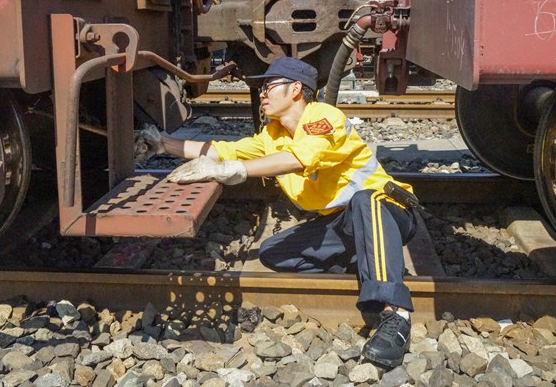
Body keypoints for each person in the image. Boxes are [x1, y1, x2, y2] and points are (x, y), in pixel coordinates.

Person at [160, 56, 417, 368]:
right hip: (344, 224)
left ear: (296, 89)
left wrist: (237, 170)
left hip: (388, 211)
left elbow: (300, 157)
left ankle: (395, 316)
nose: (263, 93)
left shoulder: (323, 117)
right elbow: (221, 150)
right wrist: (161, 143)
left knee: (365, 199)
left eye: (270, 86)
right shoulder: (273, 135)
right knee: (273, 253)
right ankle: (369, 265)